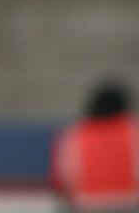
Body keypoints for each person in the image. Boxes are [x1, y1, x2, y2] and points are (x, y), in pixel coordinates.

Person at [51, 81, 139, 212]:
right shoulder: (134, 131)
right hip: (131, 204)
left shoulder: (74, 135)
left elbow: (60, 181)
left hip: (86, 205)